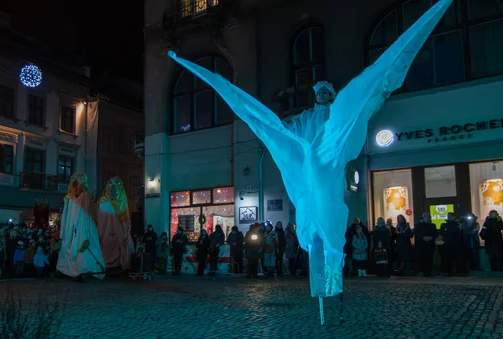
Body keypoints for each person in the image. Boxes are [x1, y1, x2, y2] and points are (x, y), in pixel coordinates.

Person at [167, 0, 453, 300]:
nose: (325, 96)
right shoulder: (306, 119)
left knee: (328, 219)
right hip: (310, 169)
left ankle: (332, 282)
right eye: (321, 93)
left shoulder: (337, 116)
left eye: (328, 93)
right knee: (314, 224)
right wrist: (277, 131)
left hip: (329, 167)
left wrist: (372, 95)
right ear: (316, 96)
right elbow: (286, 131)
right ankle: (322, 286)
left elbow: (362, 103)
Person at [57, 172, 106, 279]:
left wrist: (83, 231)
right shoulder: (69, 198)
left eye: (80, 180)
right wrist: (64, 234)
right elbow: (66, 216)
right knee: (71, 245)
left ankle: (84, 269)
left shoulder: (84, 196)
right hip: (72, 228)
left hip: (83, 227)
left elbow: (85, 214)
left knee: (82, 249)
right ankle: (68, 269)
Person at [97, 177, 135, 272]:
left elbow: (102, 223)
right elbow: (125, 222)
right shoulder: (116, 203)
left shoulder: (105, 203)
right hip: (115, 236)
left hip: (111, 237)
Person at [414, 212, 437, 277]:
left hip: (430, 245)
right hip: (421, 245)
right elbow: (416, 233)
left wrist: (431, 237)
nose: (427, 218)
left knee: (429, 259)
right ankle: (421, 272)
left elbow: (435, 233)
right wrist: (423, 237)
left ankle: (429, 272)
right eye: (425, 216)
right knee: (421, 259)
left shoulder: (433, 225)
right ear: (423, 217)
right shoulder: (419, 225)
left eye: (428, 217)